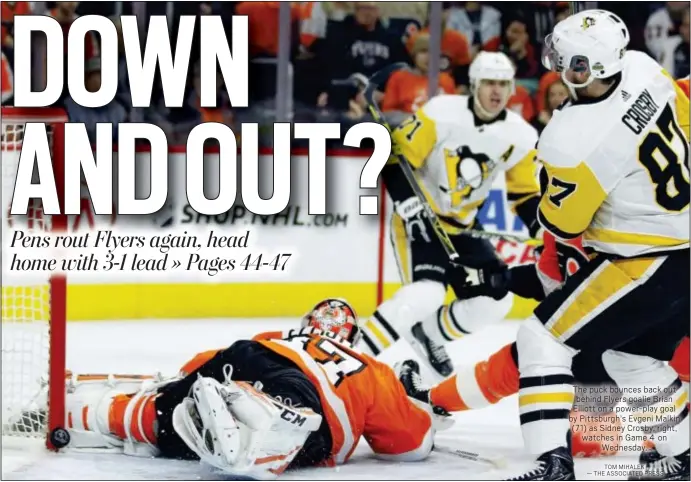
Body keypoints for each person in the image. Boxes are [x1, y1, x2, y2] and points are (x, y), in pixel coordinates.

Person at [507, 9, 689, 480]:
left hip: (649, 262)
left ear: (583, 69)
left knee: (542, 339)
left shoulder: (569, 139)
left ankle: (552, 463)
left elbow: (563, 223)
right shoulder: (647, 67)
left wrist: (546, 185)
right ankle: (684, 455)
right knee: (630, 357)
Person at [30, 299, 443, 479]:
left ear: (307, 323)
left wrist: (184, 387)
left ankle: (91, 412)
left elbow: (194, 365)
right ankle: (258, 419)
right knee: (296, 418)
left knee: (162, 417)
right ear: (349, 337)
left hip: (244, 356)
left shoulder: (279, 335)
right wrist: (420, 402)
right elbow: (410, 445)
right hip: (305, 397)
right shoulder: (368, 367)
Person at [396, 229, 690, 463]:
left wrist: (501, 278)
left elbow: (551, 284)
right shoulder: (645, 223)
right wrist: (502, 278)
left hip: (589, 382)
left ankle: (432, 400)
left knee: (537, 348)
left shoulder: (569, 219)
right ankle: (669, 440)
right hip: (608, 387)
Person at [361, 51, 542, 381]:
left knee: (495, 301)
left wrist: (539, 232)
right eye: (489, 82)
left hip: (464, 228)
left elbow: (525, 193)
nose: (496, 91)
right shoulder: (441, 112)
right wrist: (407, 202)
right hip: (420, 221)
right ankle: (351, 357)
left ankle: (429, 335)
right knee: (426, 295)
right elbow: (393, 157)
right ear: (473, 84)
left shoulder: (522, 136)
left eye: (503, 84)